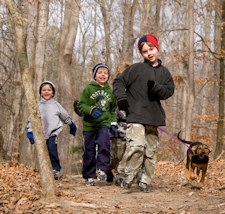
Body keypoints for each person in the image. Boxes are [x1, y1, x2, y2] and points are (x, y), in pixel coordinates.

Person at [113, 34, 175, 192]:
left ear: (157, 48)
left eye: (151, 49)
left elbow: (169, 91)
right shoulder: (136, 69)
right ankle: (127, 176)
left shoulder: (165, 72)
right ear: (142, 54)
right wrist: (122, 99)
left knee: (150, 151)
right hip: (136, 114)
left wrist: (156, 88)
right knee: (137, 146)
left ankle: (144, 180)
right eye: (145, 51)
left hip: (154, 117)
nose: (149, 53)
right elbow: (118, 82)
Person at [27, 81, 77, 179]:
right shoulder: (37, 106)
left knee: (52, 148)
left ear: (53, 93)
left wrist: (71, 124)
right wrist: (30, 131)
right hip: (41, 133)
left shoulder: (56, 105)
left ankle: (56, 169)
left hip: (53, 132)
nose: (46, 92)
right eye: (44, 90)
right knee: (43, 153)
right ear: (41, 93)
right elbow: (31, 119)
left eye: (49, 90)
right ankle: (45, 170)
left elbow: (64, 115)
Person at [77, 63, 117, 186]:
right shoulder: (88, 89)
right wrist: (91, 110)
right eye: (100, 72)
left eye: (105, 73)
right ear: (95, 75)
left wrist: (113, 123)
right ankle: (89, 176)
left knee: (104, 143)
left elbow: (112, 109)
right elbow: (80, 105)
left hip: (103, 123)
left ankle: (102, 169)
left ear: (108, 76)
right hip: (89, 125)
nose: (103, 75)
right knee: (88, 150)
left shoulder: (110, 91)